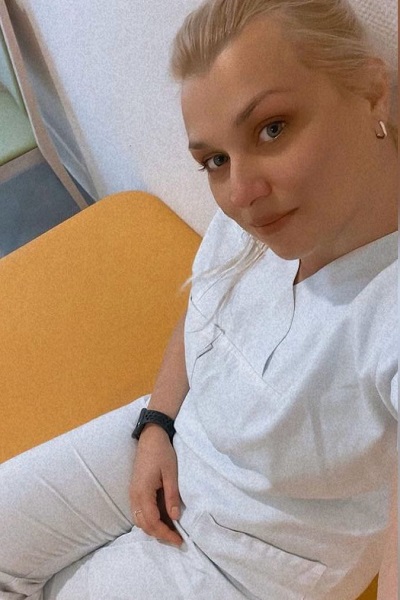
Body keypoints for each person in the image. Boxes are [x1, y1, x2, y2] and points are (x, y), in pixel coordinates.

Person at [0, 0, 397, 598]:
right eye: (214, 159)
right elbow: (206, 312)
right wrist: (157, 423)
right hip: (173, 438)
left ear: (371, 91)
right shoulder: (262, 219)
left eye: (272, 128)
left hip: (247, 560)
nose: (240, 192)